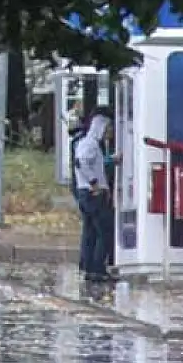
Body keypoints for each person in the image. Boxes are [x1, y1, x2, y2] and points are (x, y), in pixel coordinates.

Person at [74, 113, 115, 282]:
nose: (111, 132)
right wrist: (94, 183)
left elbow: (91, 163)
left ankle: (89, 267)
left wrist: (110, 160)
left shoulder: (89, 144)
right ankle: (98, 268)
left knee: (91, 232)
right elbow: (82, 162)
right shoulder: (90, 144)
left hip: (86, 193)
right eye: (109, 128)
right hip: (92, 194)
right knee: (104, 231)